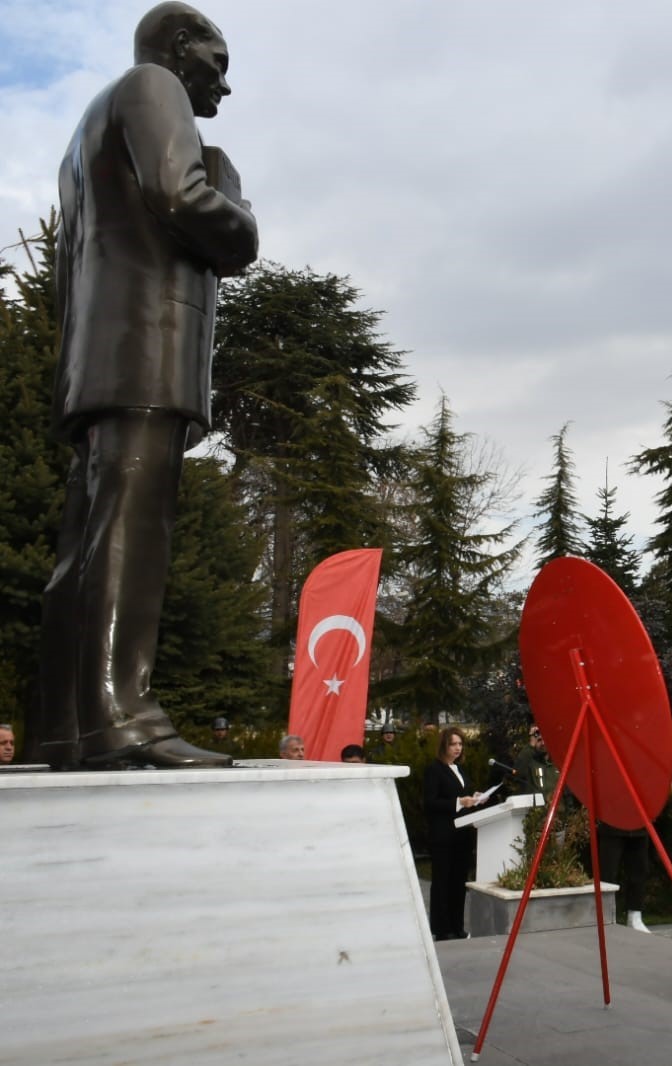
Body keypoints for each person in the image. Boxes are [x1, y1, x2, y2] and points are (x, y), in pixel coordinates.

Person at [27, 3, 258, 770]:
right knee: (133, 530)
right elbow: (181, 197)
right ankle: (124, 715)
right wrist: (243, 221)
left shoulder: (82, 137)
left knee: (88, 543)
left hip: (99, 356)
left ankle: (64, 723)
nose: (223, 85)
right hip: (146, 350)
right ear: (178, 46)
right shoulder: (151, 87)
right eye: (216, 62)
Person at [424, 726, 483, 941]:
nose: (458, 748)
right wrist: (459, 802)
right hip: (443, 836)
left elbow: (461, 796)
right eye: (453, 744)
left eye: (460, 744)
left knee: (458, 882)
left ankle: (457, 927)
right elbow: (430, 802)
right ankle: (442, 929)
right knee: (442, 883)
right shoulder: (434, 769)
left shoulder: (460, 770)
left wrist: (475, 798)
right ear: (444, 746)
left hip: (462, 836)